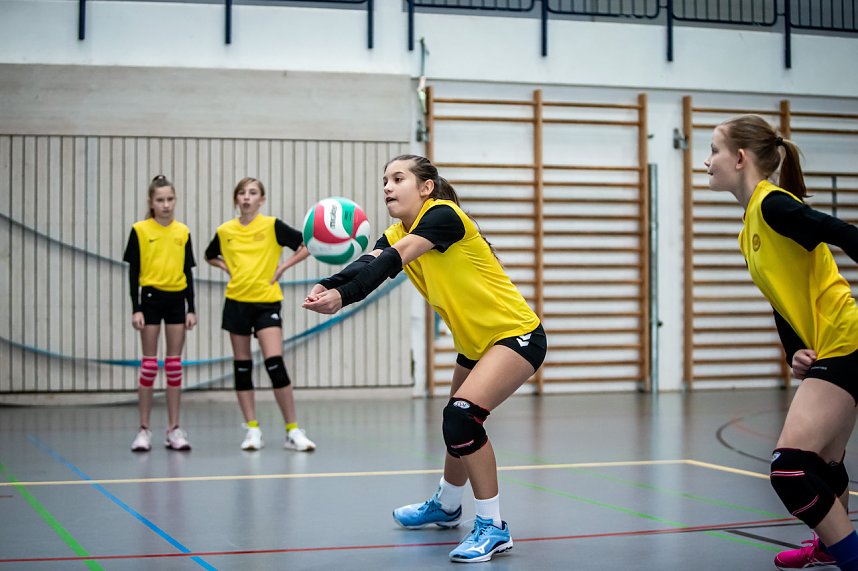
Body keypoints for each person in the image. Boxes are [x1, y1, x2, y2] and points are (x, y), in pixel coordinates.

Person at [303, 155, 547, 563]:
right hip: (476, 344)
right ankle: (448, 505)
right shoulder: (398, 230)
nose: (387, 186)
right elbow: (370, 261)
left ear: (426, 187)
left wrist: (343, 298)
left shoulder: (443, 217)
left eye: (398, 178)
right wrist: (327, 283)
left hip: (517, 335)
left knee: (462, 416)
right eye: (384, 179)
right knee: (456, 424)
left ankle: (493, 526)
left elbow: (392, 261)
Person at [706, 115, 858, 571]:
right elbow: (780, 297)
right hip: (830, 344)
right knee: (825, 464)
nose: (706, 162)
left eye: (713, 150)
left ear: (739, 157)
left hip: (846, 341)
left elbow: (844, 233)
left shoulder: (774, 205)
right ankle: (832, 546)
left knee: (790, 468)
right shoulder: (750, 222)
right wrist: (793, 347)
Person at [205, 177, 316, 452]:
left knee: (274, 363)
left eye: (252, 193)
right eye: (241, 192)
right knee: (242, 367)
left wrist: (282, 268)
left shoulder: (271, 225)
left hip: (267, 302)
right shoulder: (225, 230)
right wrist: (227, 268)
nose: (246, 197)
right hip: (236, 303)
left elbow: (306, 246)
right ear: (236, 199)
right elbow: (209, 255)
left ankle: (292, 430)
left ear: (261, 199)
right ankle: (252, 429)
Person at [123, 175, 197, 452]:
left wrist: (192, 309)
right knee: (150, 366)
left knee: (174, 366)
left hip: (177, 300)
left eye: (169, 199)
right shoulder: (140, 230)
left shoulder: (182, 231)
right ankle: (143, 430)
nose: (165, 205)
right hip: (151, 299)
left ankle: (174, 429)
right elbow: (133, 273)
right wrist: (136, 308)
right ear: (151, 202)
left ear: (174, 200)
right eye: (160, 200)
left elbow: (188, 273)